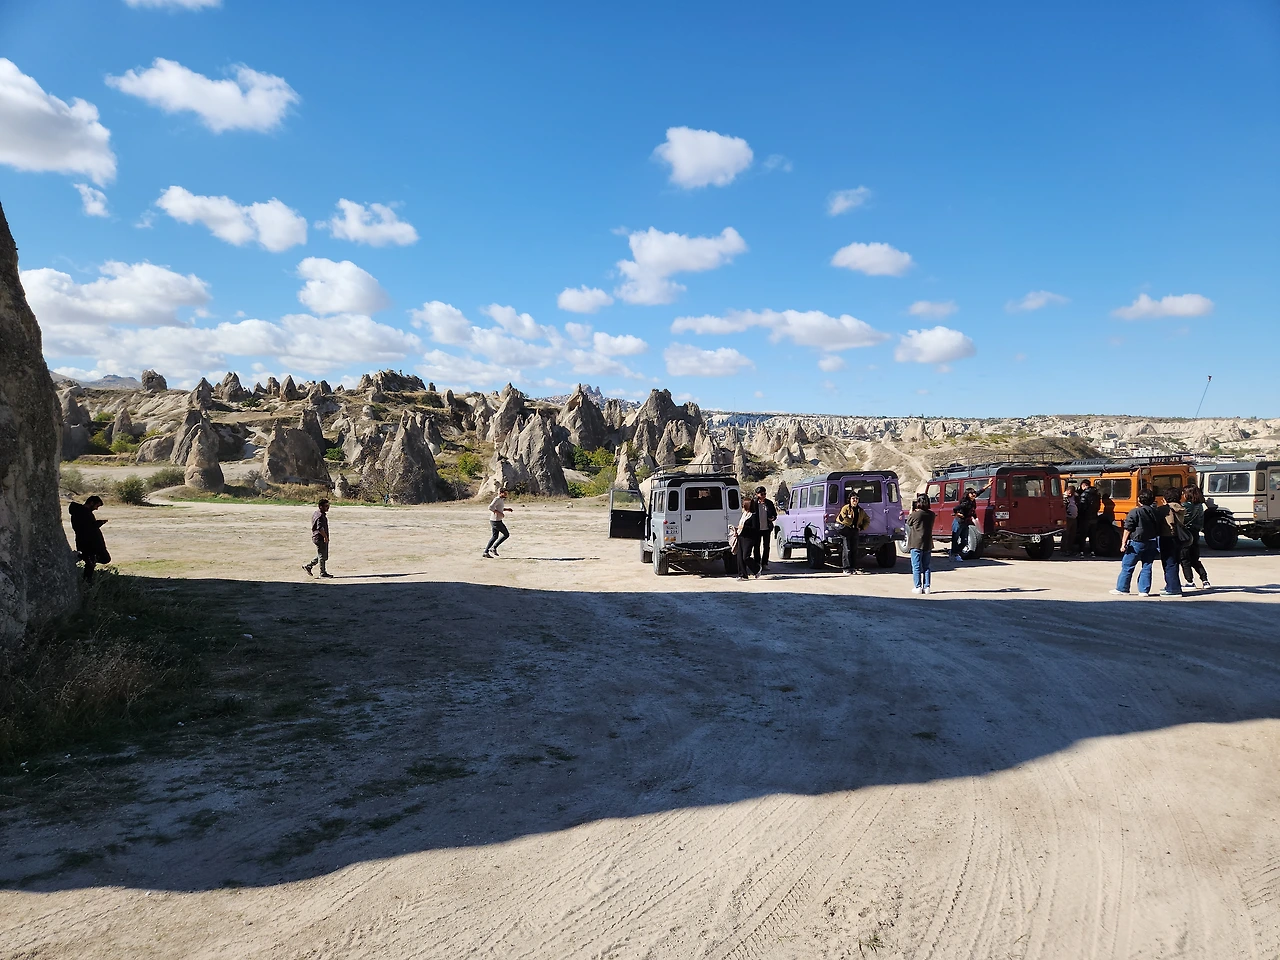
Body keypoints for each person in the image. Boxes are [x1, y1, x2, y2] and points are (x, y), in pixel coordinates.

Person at [1111, 489, 1162, 596]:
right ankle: (1144, 590)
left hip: (1137, 542)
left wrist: (1123, 543)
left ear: (1139, 499)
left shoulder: (1135, 511)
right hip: (1152, 541)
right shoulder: (1156, 512)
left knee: (1127, 566)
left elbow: (1128, 528)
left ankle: (1122, 588)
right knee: (1147, 566)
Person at [68, 495, 110, 582]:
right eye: (96, 506)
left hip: (90, 542)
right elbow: (87, 528)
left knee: (91, 563)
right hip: (87, 543)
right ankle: (81, 558)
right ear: (91, 503)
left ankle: (87, 581)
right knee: (97, 561)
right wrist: (99, 523)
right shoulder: (82, 513)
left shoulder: (82, 512)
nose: (96, 508)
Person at [1156, 491, 1188, 597]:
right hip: (1178, 538)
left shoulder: (1165, 509)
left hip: (1166, 536)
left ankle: (1173, 589)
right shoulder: (1181, 508)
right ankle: (1171, 585)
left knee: (1168, 563)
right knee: (1174, 562)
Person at [1179, 484, 1211, 589]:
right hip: (1195, 533)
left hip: (1186, 535)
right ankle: (1205, 580)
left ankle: (1189, 581)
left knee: (1184, 559)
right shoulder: (1200, 506)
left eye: (1184, 493)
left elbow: (1182, 520)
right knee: (1195, 559)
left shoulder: (1184, 506)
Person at [836, 491, 871, 575]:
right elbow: (843, 518)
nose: (855, 500)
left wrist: (862, 527)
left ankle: (853, 568)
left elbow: (867, 519)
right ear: (850, 500)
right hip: (845, 529)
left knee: (854, 549)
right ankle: (846, 568)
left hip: (854, 530)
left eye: (857, 499)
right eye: (853, 498)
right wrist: (850, 520)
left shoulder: (860, 510)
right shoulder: (845, 508)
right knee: (847, 549)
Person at [906, 494, 935, 594]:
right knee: (926, 566)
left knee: (916, 566)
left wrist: (911, 512)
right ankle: (927, 587)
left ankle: (917, 586)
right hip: (927, 543)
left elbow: (908, 523)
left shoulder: (915, 514)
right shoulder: (931, 514)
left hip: (916, 543)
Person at [732, 493, 759, 580]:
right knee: (739, 557)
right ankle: (743, 575)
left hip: (749, 538)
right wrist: (736, 530)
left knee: (746, 557)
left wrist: (743, 527)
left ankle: (757, 568)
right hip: (741, 537)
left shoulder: (753, 516)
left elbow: (755, 528)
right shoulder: (744, 514)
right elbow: (741, 525)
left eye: (744, 504)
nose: (742, 506)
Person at [303, 498, 332, 578]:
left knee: (323, 555)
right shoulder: (320, 516)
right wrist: (325, 537)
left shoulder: (317, 513)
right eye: (326, 506)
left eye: (328, 506)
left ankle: (309, 566)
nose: (328, 508)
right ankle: (322, 573)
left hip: (319, 537)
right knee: (322, 556)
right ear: (320, 507)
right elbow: (320, 528)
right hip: (319, 538)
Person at [753, 486, 778, 573]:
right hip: (757, 529)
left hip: (767, 528)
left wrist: (773, 518)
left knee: (766, 546)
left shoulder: (769, 503)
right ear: (757, 494)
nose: (763, 496)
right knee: (756, 546)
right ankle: (757, 563)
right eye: (761, 494)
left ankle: (765, 563)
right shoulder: (754, 504)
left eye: (765, 494)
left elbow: (775, 514)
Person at [484, 487, 513, 557]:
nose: (506, 495)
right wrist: (499, 513)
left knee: (494, 537)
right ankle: (493, 547)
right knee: (506, 534)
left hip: (495, 520)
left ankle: (486, 552)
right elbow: (490, 507)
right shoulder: (497, 499)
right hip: (496, 521)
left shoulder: (501, 500)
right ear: (501, 493)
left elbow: (498, 508)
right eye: (505, 493)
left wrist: (506, 509)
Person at [951, 488, 978, 560]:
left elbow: (979, 492)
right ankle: (954, 554)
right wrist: (958, 514)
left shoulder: (972, 501)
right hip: (958, 522)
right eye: (972, 493)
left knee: (965, 541)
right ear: (968, 495)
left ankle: (955, 552)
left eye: (974, 493)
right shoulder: (966, 503)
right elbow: (955, 508)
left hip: (965, 523)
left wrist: (988, 485)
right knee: (955, 539)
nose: (974, 495)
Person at [1076, 480, 1100, 557]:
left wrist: (1079, 514)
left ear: (1084, 485)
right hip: (1094, 517)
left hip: (1085, 518)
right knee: (1092, 536)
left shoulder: (1084, 494)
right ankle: (1093, 552)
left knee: (1082, 535)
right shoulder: (1096, 494)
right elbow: (1098, 506)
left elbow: (1082, 507)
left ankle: (1081, 552)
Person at [1062, 484, 1079, 557]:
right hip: (1067, 517)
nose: (1070, 494)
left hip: (1074, 518)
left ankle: (1070, 549)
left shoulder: (1075, 497)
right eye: (1069, 493)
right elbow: (1062, 507)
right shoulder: (1063, 497)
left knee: (1072, 534)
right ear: (1067, 491)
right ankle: (1064, 549)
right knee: (1066, 534)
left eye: (1071, 493)